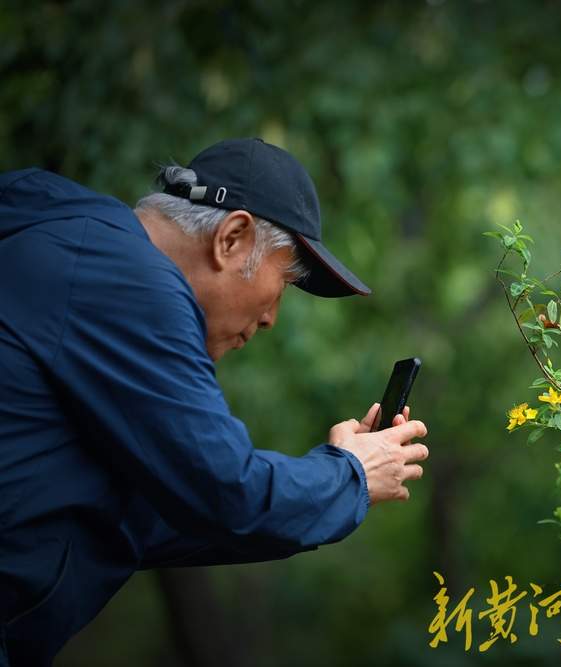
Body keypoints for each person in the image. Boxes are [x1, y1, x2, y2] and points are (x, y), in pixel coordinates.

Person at [0, 138, 430, 665]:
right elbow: (228, 494)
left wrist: (333, 485)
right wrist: (349, 477)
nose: (272, 317)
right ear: (232, 238)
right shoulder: (128, 282)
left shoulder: (77, 247)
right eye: (285, 282)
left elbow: (170, 513)